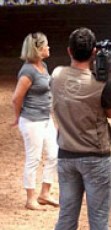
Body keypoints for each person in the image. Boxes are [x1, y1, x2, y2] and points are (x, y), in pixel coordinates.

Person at [51, 27, 111, 230]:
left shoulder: (56, 75)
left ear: (69, 51)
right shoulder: (102, 84)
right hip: (96, 156)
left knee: (66, 216)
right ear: (93, 52)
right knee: (99, 220)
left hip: (66, 153)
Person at [12, 32, 59, 211]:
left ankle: (45, 193)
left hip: (45, 118)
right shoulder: (28, 71)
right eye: (46, 45)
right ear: (38, 49)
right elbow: (16, 98)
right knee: (34, 158)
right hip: (32, 120)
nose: (49, 48)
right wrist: (18, 117)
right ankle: (30, 198)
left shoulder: (43, 65)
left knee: (54, 154)